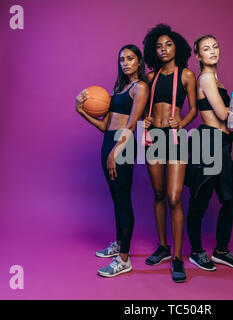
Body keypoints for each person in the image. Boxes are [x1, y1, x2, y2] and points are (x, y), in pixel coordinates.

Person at [76, 44, 149, 277]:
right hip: (109, 141)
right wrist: (81, 110)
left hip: (122, 145)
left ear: (139, 61)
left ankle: (124, 259)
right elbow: (104, 126)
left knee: (123, 199)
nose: (125, 63)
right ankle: (119, 243)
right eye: (121, 59)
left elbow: (132, 124)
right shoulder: (119, 87)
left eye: (130, 58)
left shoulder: (140, 87)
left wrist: (115, 152)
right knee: (116, 198)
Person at [185, 35, 233, 272]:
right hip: (208, 142)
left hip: (222, 142)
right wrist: (232, 112)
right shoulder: (207, 78)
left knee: (232, 200)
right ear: (198, 56)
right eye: (206, 49)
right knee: (200, 202)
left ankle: (220, 251)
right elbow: (223, 115)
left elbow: (228, 119)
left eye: (215, 47)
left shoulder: (218, 82)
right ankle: (197, 252)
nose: (212, 51)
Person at [142, 24, 197, 283]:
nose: (163, 49)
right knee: (159, 193)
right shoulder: (150, 78)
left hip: (175, 137)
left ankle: (177, 257)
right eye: (158, 46)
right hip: (154, 137)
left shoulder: (186, 75)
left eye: (168, 45)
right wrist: (145, 119)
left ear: (178, 47)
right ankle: (163, 246)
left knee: (175, 197)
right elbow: (143, 108)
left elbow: (194, 110)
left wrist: (182, 123)